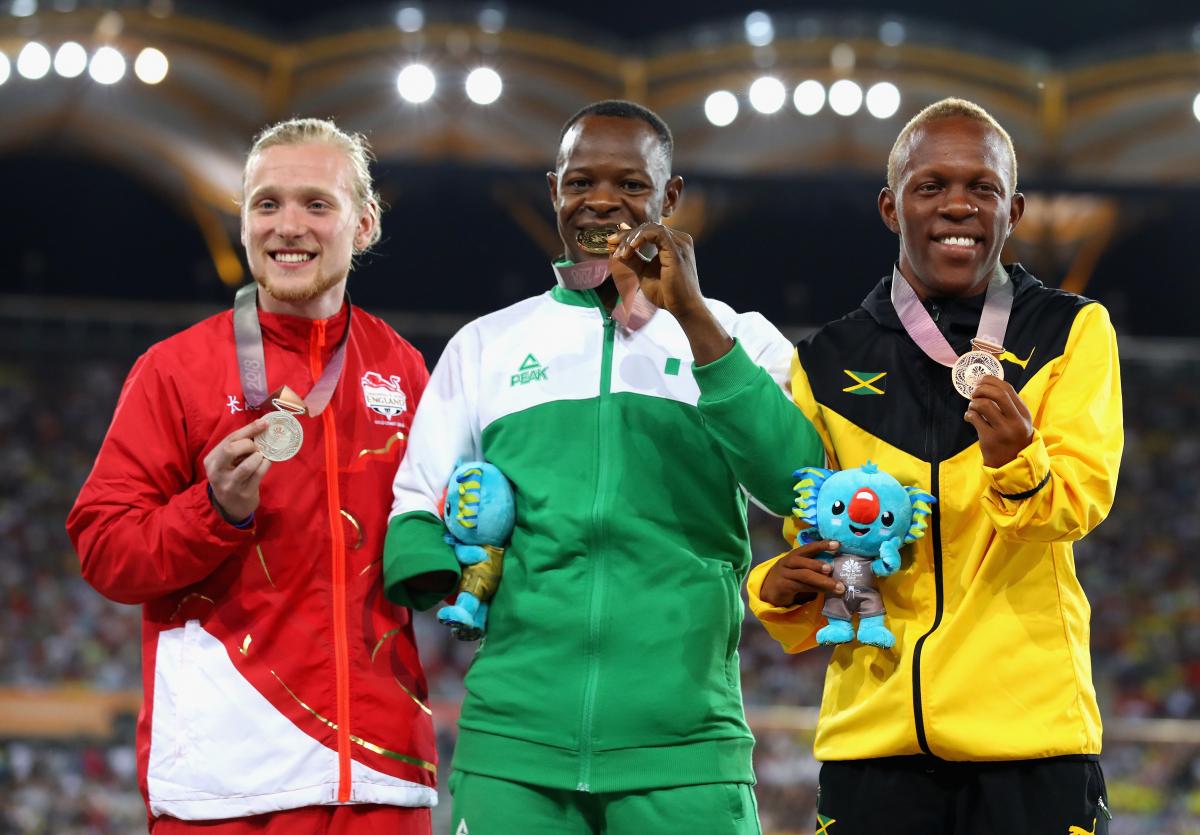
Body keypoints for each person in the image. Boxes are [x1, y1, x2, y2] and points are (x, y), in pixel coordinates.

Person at [382, 100, 824, 835]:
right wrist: (449, 574)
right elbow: (417, 494)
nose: (602, 201)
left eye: (631, 184)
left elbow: (797, 482)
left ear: (672, 196)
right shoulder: (487, 344)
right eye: (581, 181)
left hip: (685, 749)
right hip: (514, 748)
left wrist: (696, 323)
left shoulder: (740, 336)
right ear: (554, 189)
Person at [719, 98, 1120, 833]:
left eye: (983, 188)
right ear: (889, 205)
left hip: (1031, 740)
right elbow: (825, 536)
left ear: (1015, 208)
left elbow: (1079, 505)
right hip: (873, 743)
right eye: (930, 186)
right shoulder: (826, 361)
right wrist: (773, 588)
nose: (958, 205)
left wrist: (1014, 460)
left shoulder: (1072, 331)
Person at [67, 118, 439, 834]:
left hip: (380, 773)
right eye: (266, 204)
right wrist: (214, 511)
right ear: (242, 224)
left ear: (364, 225)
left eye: (315, 204)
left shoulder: (403, 369)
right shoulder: (175, 371)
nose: (287, 226)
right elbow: (103, 549)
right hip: (228, 781)